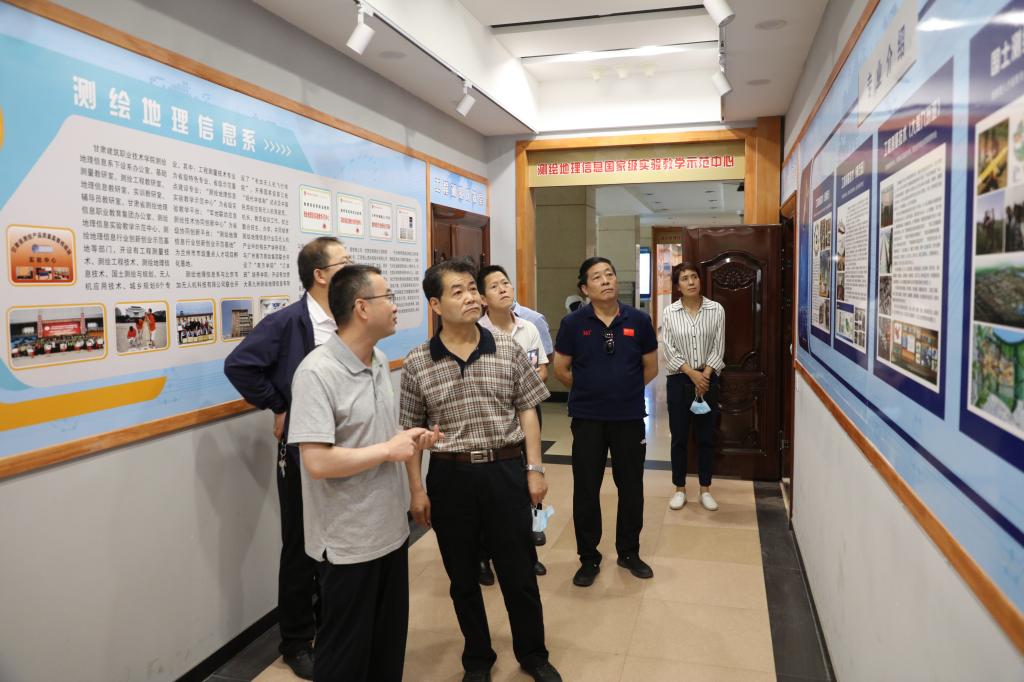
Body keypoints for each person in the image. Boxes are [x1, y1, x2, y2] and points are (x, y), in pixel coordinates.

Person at [401, 258, 561, 682]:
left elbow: (527, 410)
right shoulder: (418, 361)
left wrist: (535, 468)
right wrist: (416, 489)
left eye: (473, 288)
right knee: (462, 577)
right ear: (436, 305)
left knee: (519, 572)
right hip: (449, 477)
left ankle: (533, 654)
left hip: (504, 470)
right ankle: (477, 658)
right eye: (458, 291)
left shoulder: (506, 347)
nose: (471, 297)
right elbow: (411, 433)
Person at [288, 265, 441, 681]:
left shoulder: (376, 360)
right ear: (361, 308)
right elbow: (317, 462)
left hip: (389, 532)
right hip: (348, 543)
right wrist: (387, 450)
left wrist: (406, 438)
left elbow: (373, 436)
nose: (395, 306)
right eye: (387, 297)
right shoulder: (317, 372)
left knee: (386, 649)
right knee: (345, 658)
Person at [223, 236, 352, 680]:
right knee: (300, 543)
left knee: (337, 539)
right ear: (320, 275)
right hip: (301, 450)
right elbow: (239, 365)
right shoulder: (287, 322)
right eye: (344, 262)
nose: (351, 268)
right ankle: (296, 640)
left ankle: (331, 624)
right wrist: (281, 405)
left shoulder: (348, 317)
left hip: (346, 445)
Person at [552, 256, 659, 587]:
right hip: (588, 419)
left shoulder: (639, 320)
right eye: (597, 277)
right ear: (585, 288)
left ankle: (629, 552)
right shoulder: (573, 323)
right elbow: (561, 369)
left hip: (629, 417)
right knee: (586, 489)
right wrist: (589, 391)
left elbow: (651, 367)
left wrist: (624, 391)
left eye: (610, 274)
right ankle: (589, 557)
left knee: (631, 487)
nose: (606, 280)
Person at [477, 264, 549, 582]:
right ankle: (482, 556)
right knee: (488, 491)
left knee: (526, 483)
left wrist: (519, 388)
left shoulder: (528, 327)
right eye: (494, 286)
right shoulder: (476, 332)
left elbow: (542, 369)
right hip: (491, 418)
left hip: (526, 411)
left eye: (505, 283)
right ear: (482, 297)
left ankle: (526, 553)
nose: (503, 289)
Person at [660, 262, 726, 512]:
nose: (691, 282)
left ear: (700, 280)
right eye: (684, 278)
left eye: (694, 277)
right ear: (677, 286)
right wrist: (691, 373)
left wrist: (704, 375)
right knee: (679, 437)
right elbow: (669, 349)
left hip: (708, 379)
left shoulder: (716, 309)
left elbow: (719, 346)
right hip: (679, 380)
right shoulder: (670, 312)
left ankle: (705, 489)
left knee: (706, 437)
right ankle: (679, 488)